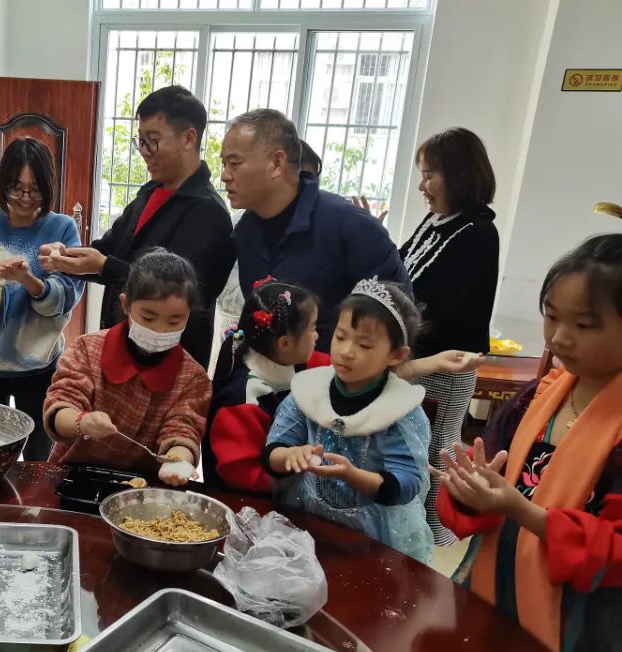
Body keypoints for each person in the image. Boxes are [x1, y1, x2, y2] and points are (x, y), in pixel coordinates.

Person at [434, 235, 622, 652]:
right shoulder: (539, 397)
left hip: (587, 624)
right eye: (552, 315)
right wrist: (470, 492)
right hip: (499, 584)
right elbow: (490, 477)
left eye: (583, 324)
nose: (558, 337)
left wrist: (521, 509)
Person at [205, 278, 481, 493]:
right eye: (329, 333)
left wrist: (432, 363)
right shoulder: (246, 399)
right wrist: (296, 462)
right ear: (286, 343)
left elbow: (366, 372)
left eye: (363, 344)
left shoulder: (301, 363)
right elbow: (246, 476)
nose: (346, 352)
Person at [38, 85, 235, 368]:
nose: (144, 152)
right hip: (123, 345)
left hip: (168, 362)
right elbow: (110, 248)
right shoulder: (150, 193)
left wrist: (105, 266)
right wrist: (67, 257)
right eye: (140, 141)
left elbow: (179, 292)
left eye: (153, 141)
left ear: (189, 138)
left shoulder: (210, 213)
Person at [263, 279, 433, 564]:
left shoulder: (400, 410)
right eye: (341, 337)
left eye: (364, 344)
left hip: (377, 540)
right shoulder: (309, 391)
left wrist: (353, 476)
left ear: (396, 355)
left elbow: (405, 483)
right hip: (309, 526)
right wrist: (289, 456)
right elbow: (273, 452)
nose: (346, 351)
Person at [221, 108, 410, 348]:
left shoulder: (351, 228)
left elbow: (398, 320)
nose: (224, 176)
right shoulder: (247, 229)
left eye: (234, 163)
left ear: (277, 163)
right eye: (224, 163)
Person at [397, 127, 499, 546]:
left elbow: (436, 303)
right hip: (415, 358)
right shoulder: (439, 220)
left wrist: (398, 352)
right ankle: (414, 530)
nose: (422, 186)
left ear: (458, 174)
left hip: (447, 363)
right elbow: (401, 269)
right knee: (410, 446)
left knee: (438, 448)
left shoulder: (477, 232)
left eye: (429, 175)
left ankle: (440, 537)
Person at [0, 137, 84, 461]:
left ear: (48, 185)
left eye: (35, 189)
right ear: (3, 184)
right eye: (16, 188)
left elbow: (66, 298)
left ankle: (36, 512)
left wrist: (28, 280)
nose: (25, 198)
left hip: (40, 367)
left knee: (40, 460)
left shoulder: (62, 228)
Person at [43, 248, 211, 486]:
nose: (160, 330)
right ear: (125, 305)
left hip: (146, 487)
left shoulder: (192, 377)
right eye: (148, 317)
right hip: (74, 476)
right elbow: (61, 406)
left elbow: (183, 430)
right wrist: (82, 421)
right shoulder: (87, 349)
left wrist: (178, 461)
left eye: (175, 321)